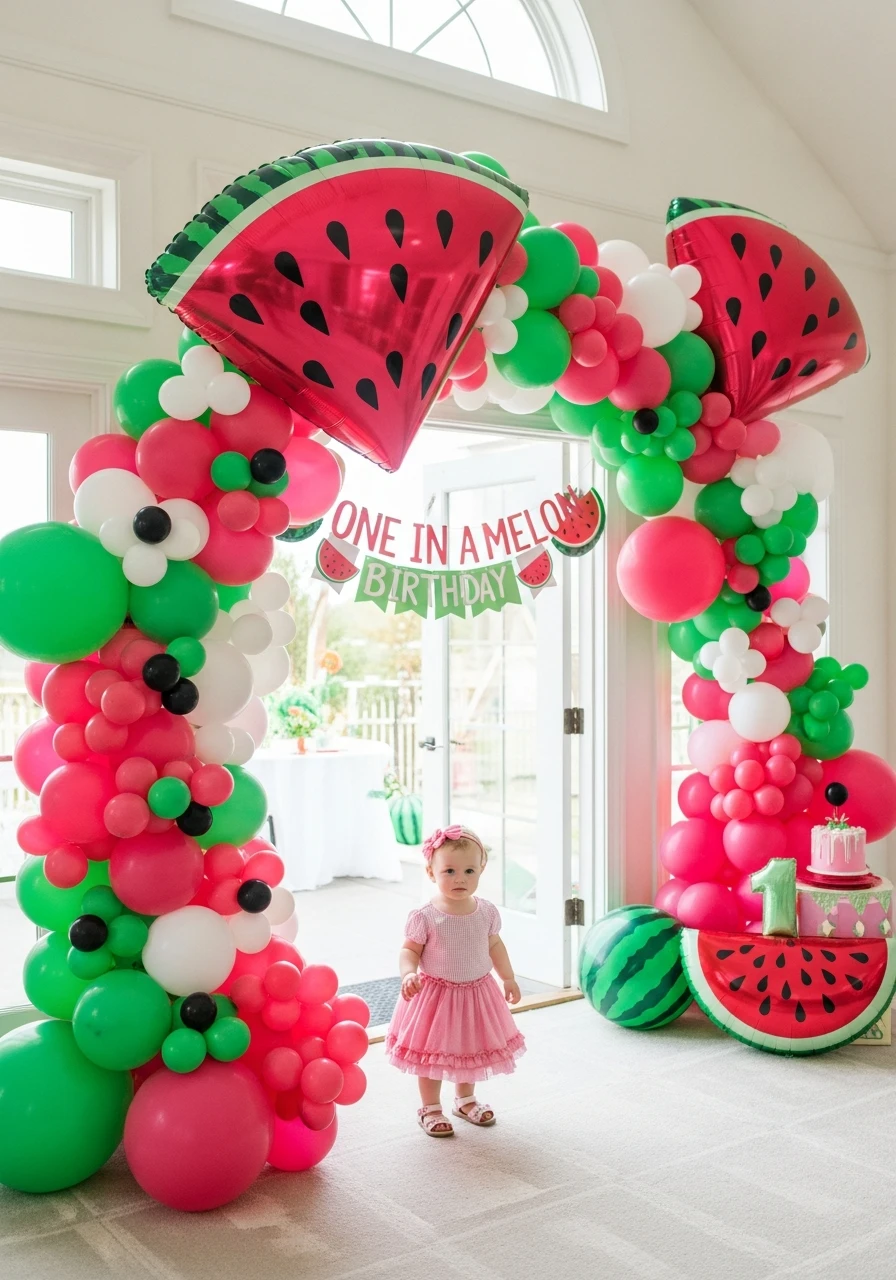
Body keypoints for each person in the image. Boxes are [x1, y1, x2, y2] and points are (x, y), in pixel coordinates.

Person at [385, 824, 525, 1137]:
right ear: (431, 872)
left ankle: (465, 1100)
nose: (459, 878)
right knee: (432, 1054)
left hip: (477, 993)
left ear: (481, 871)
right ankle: (430, 1107)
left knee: (470, 1049)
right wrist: (408, 973)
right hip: (436, 996)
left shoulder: (485, 912)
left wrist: (509, 978)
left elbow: (495, 946)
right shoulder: (425, 916)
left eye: (468, 871)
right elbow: (409, 949)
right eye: (449, 870)